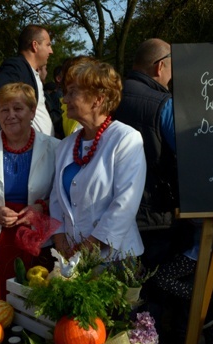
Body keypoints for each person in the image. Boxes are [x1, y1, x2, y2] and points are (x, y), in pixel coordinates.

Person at [0, 83, 59, 298]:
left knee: (38, 298)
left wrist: (40, 207)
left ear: (32, 112)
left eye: (18, 109)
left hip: (39, 237)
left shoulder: (55, 147)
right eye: (4, 110)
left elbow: (61, 193)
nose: (11, 115)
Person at [50, 60, 146, 258]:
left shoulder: (125, 138)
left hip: (115, 259)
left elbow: (125, 204)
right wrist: (61, 246)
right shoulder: (65, 145)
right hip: (71, 258)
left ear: (98, 99)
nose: (64, 99)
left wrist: (85, 249)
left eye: (72, 92)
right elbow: (56, 201)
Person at [113, 38, 182, 267]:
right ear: (160, 66)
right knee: (155, 286)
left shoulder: (108, 99)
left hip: (113, 210)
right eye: (171, 68)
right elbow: (186, 154)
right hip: (156, 213)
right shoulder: (164, 104)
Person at [0, 24, 54, 136]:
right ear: (35, 45)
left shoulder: (30, 71)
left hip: (43, 147)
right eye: (48, 45)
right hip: (29, 149)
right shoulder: (17, 66)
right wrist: (13, 128)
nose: (51, 51)